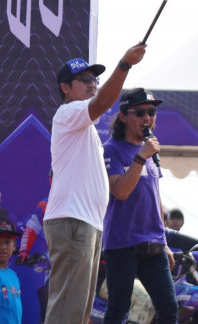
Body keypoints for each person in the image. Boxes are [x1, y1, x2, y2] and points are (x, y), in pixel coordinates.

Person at [43, 44, 147, 324]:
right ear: (65, 88)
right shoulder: (67, 113)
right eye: (85, 80)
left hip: (85, 223)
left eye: (95, 80)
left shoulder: (85, 129)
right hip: (72, 220)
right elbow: (101, 103)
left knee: (78, 312)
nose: (93, 84)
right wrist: (124, 65)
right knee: (67, 311)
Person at [102, 87, 178, 323]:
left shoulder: (150, 150)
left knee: (169, 308)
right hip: (122, 243)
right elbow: (120, 191)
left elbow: (155, 195)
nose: (147, 117)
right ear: (123, 116)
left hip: (153, 243)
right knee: (119, 309)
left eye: (151, 112)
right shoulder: (111, 149)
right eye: (140, 112)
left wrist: (164, 242)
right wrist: (140, 157)